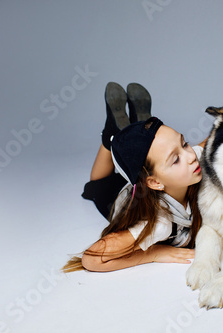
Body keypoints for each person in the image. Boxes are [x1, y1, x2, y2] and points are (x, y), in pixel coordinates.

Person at [62, 82, 205, 272]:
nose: (191, 155)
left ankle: (137, 132)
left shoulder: (187, 163)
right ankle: (111, 136)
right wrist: (153, 253)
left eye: (185, 143)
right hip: (120, 197)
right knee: (97, 186)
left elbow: (209, 143)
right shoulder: (158, 225)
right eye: (176, 159)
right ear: (155, 182)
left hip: (145, 180)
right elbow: (91, 259)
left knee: (140, 162)